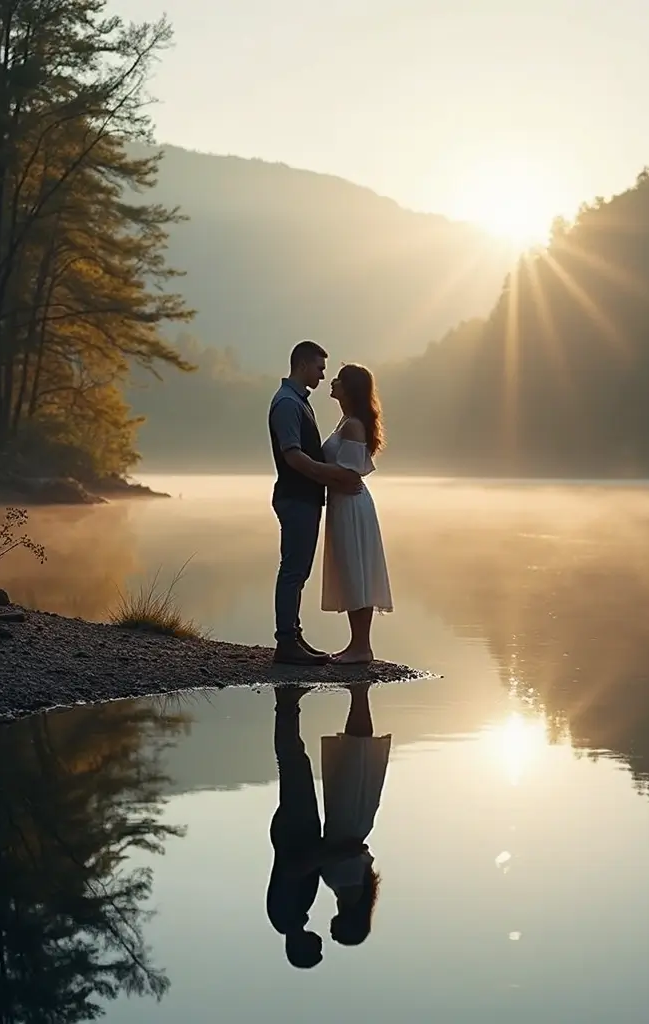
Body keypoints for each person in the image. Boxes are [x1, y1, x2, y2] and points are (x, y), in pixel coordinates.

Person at [269, 340, 361, 666]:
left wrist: (327, 480)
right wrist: (331, 477)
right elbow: (293, 456)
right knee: (293, 571)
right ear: (304, 365)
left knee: (298, 571)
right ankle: (286, 642)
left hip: (304, 498)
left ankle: (293, 636)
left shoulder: (298, 402)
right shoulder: (287, 404)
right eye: (320, 369)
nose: (323, 376)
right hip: (296, 498)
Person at [266, 685, 368, 968]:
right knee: (296, 761)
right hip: (296, 832)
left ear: (301, 949)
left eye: (316, 952)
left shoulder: (286, 918)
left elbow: (295, 867)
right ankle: (288, 702)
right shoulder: (294, 916)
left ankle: (286, 701)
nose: (321, 945)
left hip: (294, 832)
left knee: (293, 761)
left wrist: (338, 854)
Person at [321, 363, 393, 664]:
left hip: (351, 505)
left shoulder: (352, 425)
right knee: (352, 569)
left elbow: (348, 474)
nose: (332, 382)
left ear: (349, 389)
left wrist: (304, 467)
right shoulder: (346, 421)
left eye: (339, 379)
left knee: (356, 570)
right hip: (343, 504)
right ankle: (357, 645)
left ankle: (361, 648)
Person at [320, 682, 390, 947]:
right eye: (339, 932)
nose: (332, 931)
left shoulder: (356, 893)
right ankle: (359, 693)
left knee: (358, 759)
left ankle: (359, 695)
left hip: (355, 823)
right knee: (355, 757)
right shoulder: (347, 890)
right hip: (346, 823)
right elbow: (346, 853)